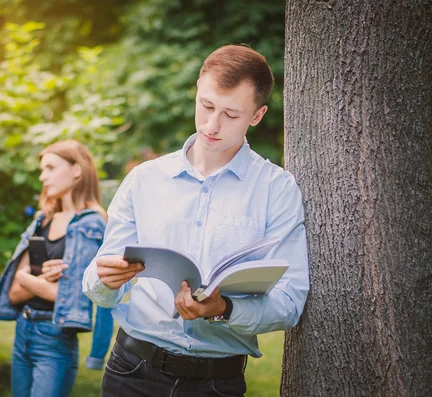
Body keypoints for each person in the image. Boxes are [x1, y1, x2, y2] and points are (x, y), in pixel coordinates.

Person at [82, 45, 310, 397]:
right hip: (132, 371)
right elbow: (98, 280)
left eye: (230, 114)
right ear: (197, 93)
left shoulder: (277, 190)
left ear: (257, 115)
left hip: (217, 383)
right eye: (206, 106)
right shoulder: (145, 179)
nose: (211, 125)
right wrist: (105, 278)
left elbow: (290, 302)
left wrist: (225, 308)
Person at [0, 139, 114, 397]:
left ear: (77, 170)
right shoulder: (41, 221)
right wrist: (44, 283)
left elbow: (79, 299)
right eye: (42, 170)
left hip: (55, 339)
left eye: (51, 168)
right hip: (23, 330)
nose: (43, 177)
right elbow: (12, 293)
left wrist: (30, 281)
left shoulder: (91, 224)